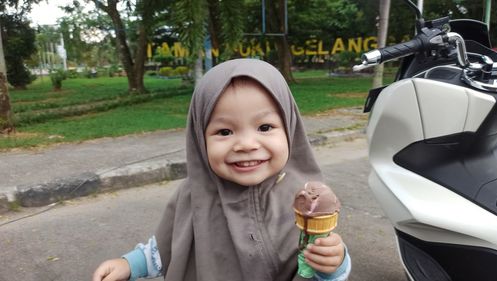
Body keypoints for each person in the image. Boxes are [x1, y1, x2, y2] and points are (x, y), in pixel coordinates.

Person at [92, 59, 351, 281]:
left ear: (290, 128)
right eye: (224, 132)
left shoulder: (306, 199)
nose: (247, 145)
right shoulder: (194, 195)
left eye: (265, 127)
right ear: (200, 138)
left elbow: (320, 264)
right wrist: (129, 265)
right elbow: (167, 246)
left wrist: (333, 264)